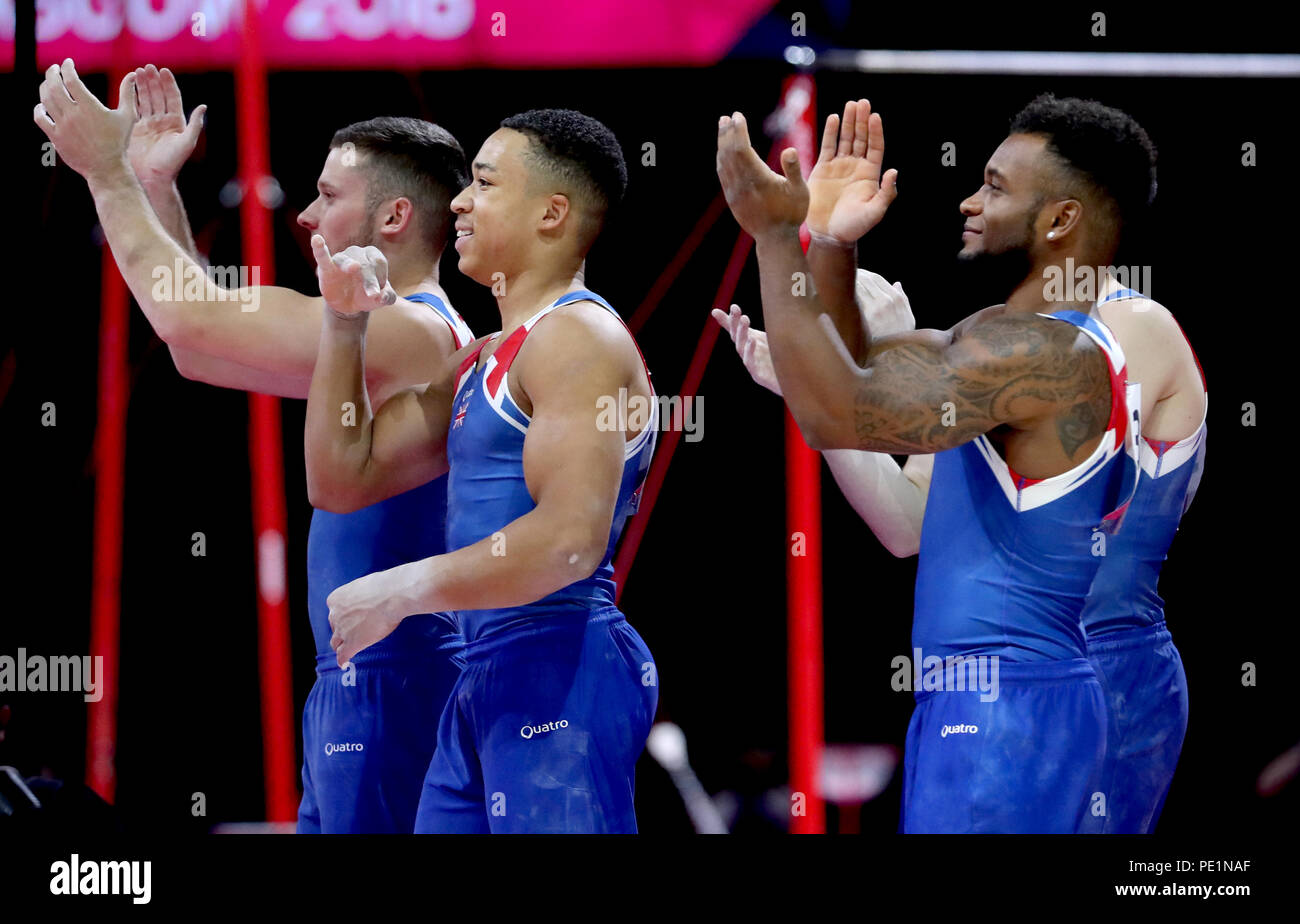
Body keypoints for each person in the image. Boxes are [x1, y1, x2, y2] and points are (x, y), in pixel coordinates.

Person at [716, 96, 1204, 834]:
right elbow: (908, 523)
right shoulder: (1002, 342)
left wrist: (792, 249)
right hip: (988, 675)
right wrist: (832, 284)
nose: (968, 202)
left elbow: (863, 398)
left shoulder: (1126, 330)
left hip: (1096, 669)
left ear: (1063, 218)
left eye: (996, 186)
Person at [33, 60, 474, 833]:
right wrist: (151, 186)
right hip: (362, 678)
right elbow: (200, 351)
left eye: (329, 197)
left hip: (394, 679)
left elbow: (192, 321)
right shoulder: (377, 331)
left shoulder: (408, 332)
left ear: (394, 219)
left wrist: (106, 175)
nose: (305, 214)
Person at [303, 109, 658, 833]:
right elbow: (340, 477)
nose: (461, 201)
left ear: (551, 213)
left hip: (560, 659)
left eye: (486, 184)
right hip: (482, 671)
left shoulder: (577, 338)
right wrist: (344, 325)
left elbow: (567, 542)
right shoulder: (487, 357)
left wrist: (407, 588)